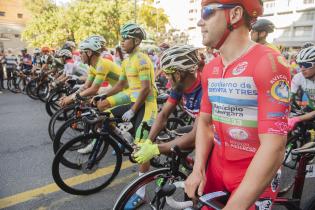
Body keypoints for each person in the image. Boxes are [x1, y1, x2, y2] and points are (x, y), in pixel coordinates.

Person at [184, 1, 291, 210]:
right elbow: (205, 123)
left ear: (234, 14)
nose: (199, 22)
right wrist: (198, 169)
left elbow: (274, 146)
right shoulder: (210, 68)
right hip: (216, 168)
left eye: (207, 12)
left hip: (254, 174)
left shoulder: (269, 62)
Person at [101, 23, 157, 210]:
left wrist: (133, 110)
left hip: (145, 102)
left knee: (141, 149)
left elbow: (146, 88)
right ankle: (125, 135)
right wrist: (104, 95)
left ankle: (140, 194)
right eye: (122, 38)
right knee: (101, 109)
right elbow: (120, 86)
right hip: (131, 96)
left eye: (125, 38)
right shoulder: (126, 61)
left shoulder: (142, 59)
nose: (122, 42)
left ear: (136, 40)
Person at [133, 45, 203, 164]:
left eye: (167, 74)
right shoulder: (179, 87)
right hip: (199, 127)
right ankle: (185, 163)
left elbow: (196, 136)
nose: (165, 77)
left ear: (178, 75)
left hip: (215, 137)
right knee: (166, 143)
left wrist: (156, 149)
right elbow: (164, 114)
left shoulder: (204, 91)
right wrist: (148, 141)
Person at [59, 36, 122, 107]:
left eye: (81, 52)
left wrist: (72, 98)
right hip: (115, 88)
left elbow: (94, 89)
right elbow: (86, 86)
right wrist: (70, 97)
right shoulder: (92, 66)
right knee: (87, 100)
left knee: (99, 105)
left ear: (89, 53)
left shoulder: (102, 64)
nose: (79, 55)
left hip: (124, 90)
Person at [288, 46, 315, 130]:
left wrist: (298, 119)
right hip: (311, 107)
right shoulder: (298, 77)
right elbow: (289, 98)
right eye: (300, 64)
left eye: (307, 65)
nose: (302, 69)